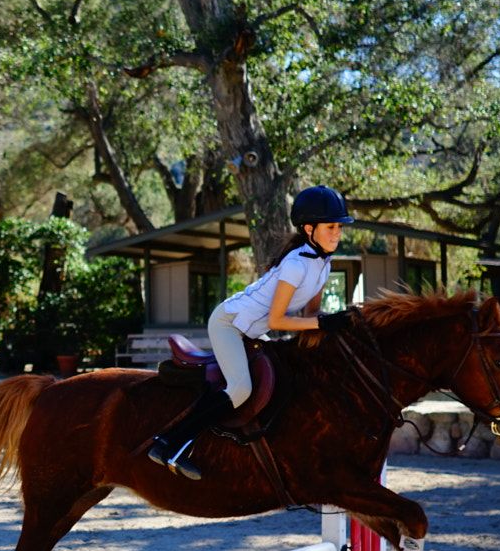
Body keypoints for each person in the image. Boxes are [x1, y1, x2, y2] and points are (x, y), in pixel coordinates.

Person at [145, 185, 357, 478]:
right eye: (331, 226)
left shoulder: (323, 264)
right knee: (240, 388)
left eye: (339, 227)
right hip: (229, 324)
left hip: (251, 330)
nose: (337, 233)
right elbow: (277, 321)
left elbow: (311, 315)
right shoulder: (297, 264)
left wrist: (340, 319)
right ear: (309, 229)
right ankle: (171, 442)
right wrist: (322, 324)